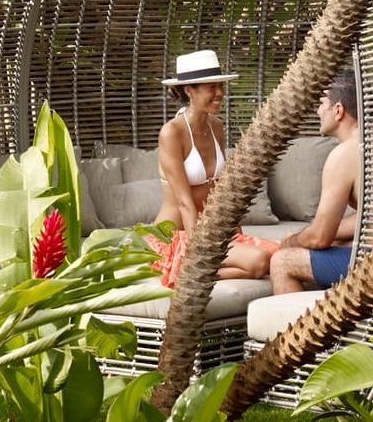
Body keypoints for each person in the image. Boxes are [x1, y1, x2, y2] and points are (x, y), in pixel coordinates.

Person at [148, 49, 275, 288]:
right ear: (189, 90)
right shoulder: (172, 133)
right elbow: (185, 203)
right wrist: (199, 255)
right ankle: (186, 272)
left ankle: (194, 274)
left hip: (209, 231)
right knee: (258, 261)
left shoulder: (216, 127)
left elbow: (219, 191)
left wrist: (236, 235)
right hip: (177, 237)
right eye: (211, 88)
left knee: (277, 255)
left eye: (220, 87)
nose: (219, 94)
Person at [269, 69, 360, 294]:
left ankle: (299, 331)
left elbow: (320, 237)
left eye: (322, 103)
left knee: (282, 261)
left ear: (338, 110)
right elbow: (372, 216)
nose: (319, 110)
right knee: (333, 246)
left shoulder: (344, 154)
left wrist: (291, 241)